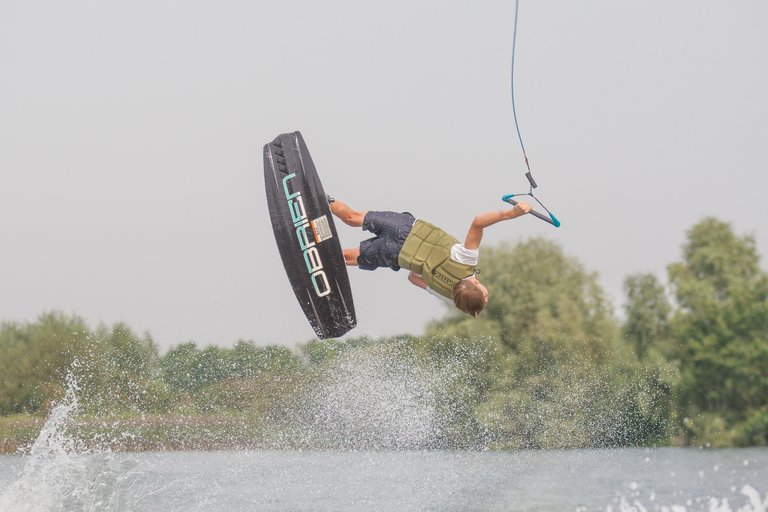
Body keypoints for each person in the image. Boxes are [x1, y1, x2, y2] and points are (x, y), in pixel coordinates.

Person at [328, 197, 532, 317]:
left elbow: (478, 222)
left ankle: (323, 198)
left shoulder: (466, 260)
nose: (488, 297)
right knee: (346, 257)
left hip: (405, 227)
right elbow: (412, 278)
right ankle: (319, 258)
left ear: (478, 284)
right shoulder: (447, 295)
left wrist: (511, 214)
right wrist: (423, 263)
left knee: (352, 217)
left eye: (485, 296)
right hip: (396, 253)